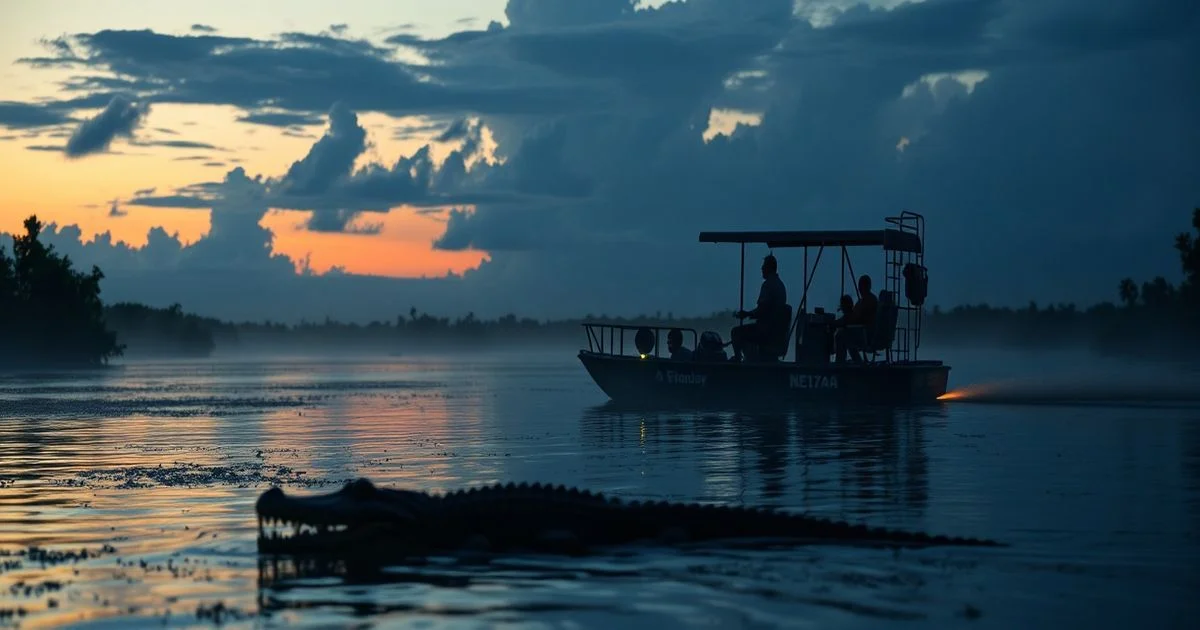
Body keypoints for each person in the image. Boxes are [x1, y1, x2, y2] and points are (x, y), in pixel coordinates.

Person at [730, 253, 787, 362]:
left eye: (764, 266)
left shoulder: (768, 285)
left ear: (769, 268)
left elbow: (762, 310)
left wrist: (746, 314)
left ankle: (738, 361)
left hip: (766, 331)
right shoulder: (780, 285)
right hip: (775, 330)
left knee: (736, 333)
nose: (761, 268)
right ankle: (750, 358)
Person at [834, 274, 877, 363]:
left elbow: (854, 318)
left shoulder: (867, 301)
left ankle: (839, 363)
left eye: (861, 286)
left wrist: (839, 322)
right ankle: (857, 361)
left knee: (840, 336)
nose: (859, 289)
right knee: (847, 336)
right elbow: (853, 316)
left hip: (865, 334)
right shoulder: (866, 300)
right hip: (863, 332)